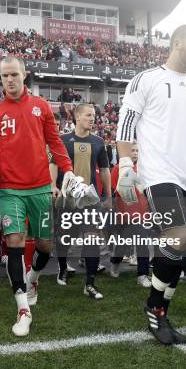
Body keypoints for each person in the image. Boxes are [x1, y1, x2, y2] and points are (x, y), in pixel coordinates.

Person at [115, 24, 186, 345]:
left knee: (180, 248)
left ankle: (161, 311)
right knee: (177, 236)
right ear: (177, 43)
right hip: (158, 174)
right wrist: (126, 166)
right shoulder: (147, 79)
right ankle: (154, 305)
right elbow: (126, 123)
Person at [0, 56, 80, 337]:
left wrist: (67, 170)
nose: (9, 80)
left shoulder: (41, 106)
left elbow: (55, 141)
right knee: (14, 242)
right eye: (4, 76)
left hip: (40, 188)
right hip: (9, 188)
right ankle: (23, 310)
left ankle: (32, 279)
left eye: (13, 75)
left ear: (25, 75)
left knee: (45, 246)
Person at [50, 103, 111, 299]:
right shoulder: (63, 140)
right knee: (65, 237)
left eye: (93, 115)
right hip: (68, 198)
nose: (92, 118)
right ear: (77, 117)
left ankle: (90, 283)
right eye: (88, 115)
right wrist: (53, 186)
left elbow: (104, 170)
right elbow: (53, 163)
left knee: (92, 238)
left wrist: (108, 195)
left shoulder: (99, 142)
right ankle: (62, 269)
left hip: (90, 199)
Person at [109, 142, 152, 288]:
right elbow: (114, 192)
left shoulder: (144, 170)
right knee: (123, 245)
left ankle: (142, 274)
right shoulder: (117, 169)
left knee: (143, 243)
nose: (135, 153)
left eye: (137, 150)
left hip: (142, 214)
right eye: (132, 150)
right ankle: (115, 263)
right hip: (124, 215)